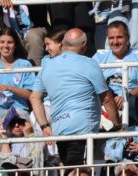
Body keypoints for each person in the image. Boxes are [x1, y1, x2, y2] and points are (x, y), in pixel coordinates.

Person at [30, 29, 119, 166]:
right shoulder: (89, 63)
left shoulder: (47, 66)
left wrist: (44, 126)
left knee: (71, 170)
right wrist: (117, 125)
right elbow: (106, 99)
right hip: (83, 129)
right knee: (79, 173)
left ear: (63, 43)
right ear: (84, 45)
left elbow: (34, 97)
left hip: (59, 128)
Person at [93, 20, 138, 121]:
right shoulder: (99, 57)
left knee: (134, 102)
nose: (115, 42)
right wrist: (109, 100)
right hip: (105, 100)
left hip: (130, 101)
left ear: (128, 38)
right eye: (111, 38)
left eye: (119, 37)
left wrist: (125, 96)